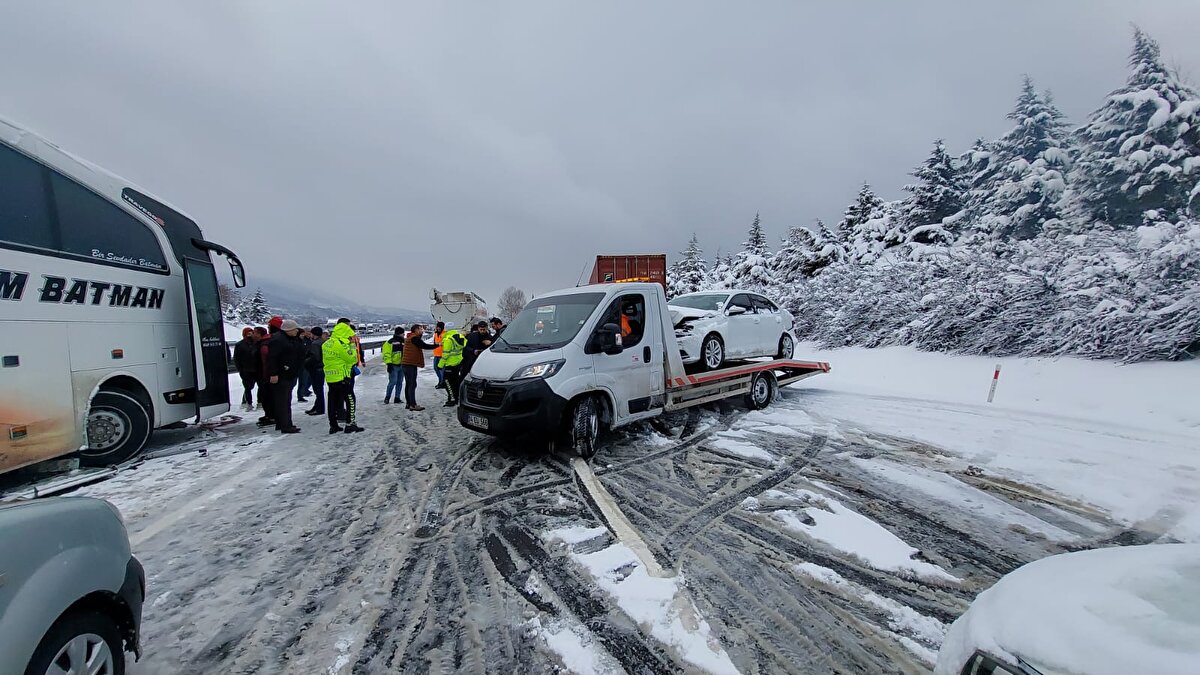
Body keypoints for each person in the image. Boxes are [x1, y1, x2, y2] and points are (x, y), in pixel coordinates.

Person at [323, 321, 364, 433]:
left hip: (330, 377)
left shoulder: (327, 343)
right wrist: (351, 345)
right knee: (350, 399)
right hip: (343, 377)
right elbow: (351, 359)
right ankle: (350, 424)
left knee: (332, 401)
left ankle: (333, 425)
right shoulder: (342, 344)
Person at [266, 319, 305, 433]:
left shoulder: (288, 339)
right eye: (295, 329)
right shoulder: (278, 340)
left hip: (287, 373)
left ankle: (282, 423)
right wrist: (273, 374)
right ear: (288, 330)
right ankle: (285, 425)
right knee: (283, 401)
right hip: (282, 374)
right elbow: (272, 358)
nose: (297, 331)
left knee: (285, 400)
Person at [399, 323, 439, 411]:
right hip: (410, 364)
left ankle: (409, 403)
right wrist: (438, 345)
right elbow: (424, 346)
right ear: (416, 330)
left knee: (409, 384)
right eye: (421, 329)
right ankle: (413, 404)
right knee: (412, 384)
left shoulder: (410, 337)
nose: (422, 331)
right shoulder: (414, 338)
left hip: (406, 364)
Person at [256, 316, 284, 426]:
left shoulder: (271, 341)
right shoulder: (276, 339)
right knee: (268, 396)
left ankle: (273, 416)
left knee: (270, 396)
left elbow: (271, 358)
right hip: (268, 373)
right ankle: (271, 415)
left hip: (270, 373)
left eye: (269, 326)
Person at [232, 327, 259, 412]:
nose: (250, 335)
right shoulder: (240, 345)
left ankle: (260, 402)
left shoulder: (257, 343)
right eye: (248, 333)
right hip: (246, 370)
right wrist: (240, 369)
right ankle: (248, 403)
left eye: (251, 333)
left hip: (256, 369)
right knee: (248, 387)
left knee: (260, 386)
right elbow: (236, 358)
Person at [439, 327, 467, 406]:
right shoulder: (460, 337)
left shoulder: (448, 339)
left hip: (449, 364)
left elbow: (445, 355)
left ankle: (451, 399)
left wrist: (440, 365)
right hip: (458, 363)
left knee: (447, 382)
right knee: (455, 382)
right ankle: (456, 397)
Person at [304, 326, 327, 416]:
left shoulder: (315, 344)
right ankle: (317, 407)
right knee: (319, 389)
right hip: (322, 368)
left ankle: (319, 408)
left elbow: (315, 357)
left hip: (316, 368)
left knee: (318, 390)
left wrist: (305, 361)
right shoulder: (323, 342)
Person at [382, 326, 406, 404]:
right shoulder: (389, 342)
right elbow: (386, 354)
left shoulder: (404, 342)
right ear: (400, 334)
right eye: (403, 334)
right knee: (393, 382)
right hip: (393, 366)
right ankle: (387, 397)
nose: (404, 335)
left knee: (400, 382)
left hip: (402, 365)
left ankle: (397, 398)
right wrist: (389, 364)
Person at [295, 329, 313, 403]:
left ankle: (304, 392)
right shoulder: (298, 342)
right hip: (301, 364)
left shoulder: (309, 341)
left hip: (306, 363)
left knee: (306, 380)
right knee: (302, 380)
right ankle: (300, 395)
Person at [432, 322, 446, 390]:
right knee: (436, 368)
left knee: (442, 370)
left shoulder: (444, 334)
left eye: (439, 327)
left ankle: (442, 383)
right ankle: (440, 381)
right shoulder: (435, 334)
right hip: (436, 354)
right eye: (437, 327)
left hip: (442, 355)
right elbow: (435, 343)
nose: (438, 328)